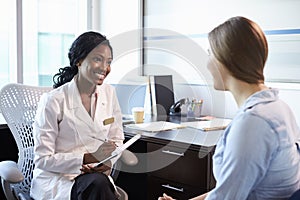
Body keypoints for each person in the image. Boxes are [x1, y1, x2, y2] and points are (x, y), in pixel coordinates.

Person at [159, 16, 300, 200]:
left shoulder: (253, 123)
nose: (207, 64)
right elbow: (227, 190)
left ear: (227, 59)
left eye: (210, 53)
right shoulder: (278, 107)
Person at [30, 31, 124, 200]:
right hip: (59, 179)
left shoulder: (109, 94)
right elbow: (42, 159)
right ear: (79, 61)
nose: (104, 67)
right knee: (98, 185)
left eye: (108, 62)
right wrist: (87, 158)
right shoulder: (53, 100)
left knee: (98, 184)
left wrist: (106, 162)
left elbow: (116, 140)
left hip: (95, 177)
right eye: (97, 59)